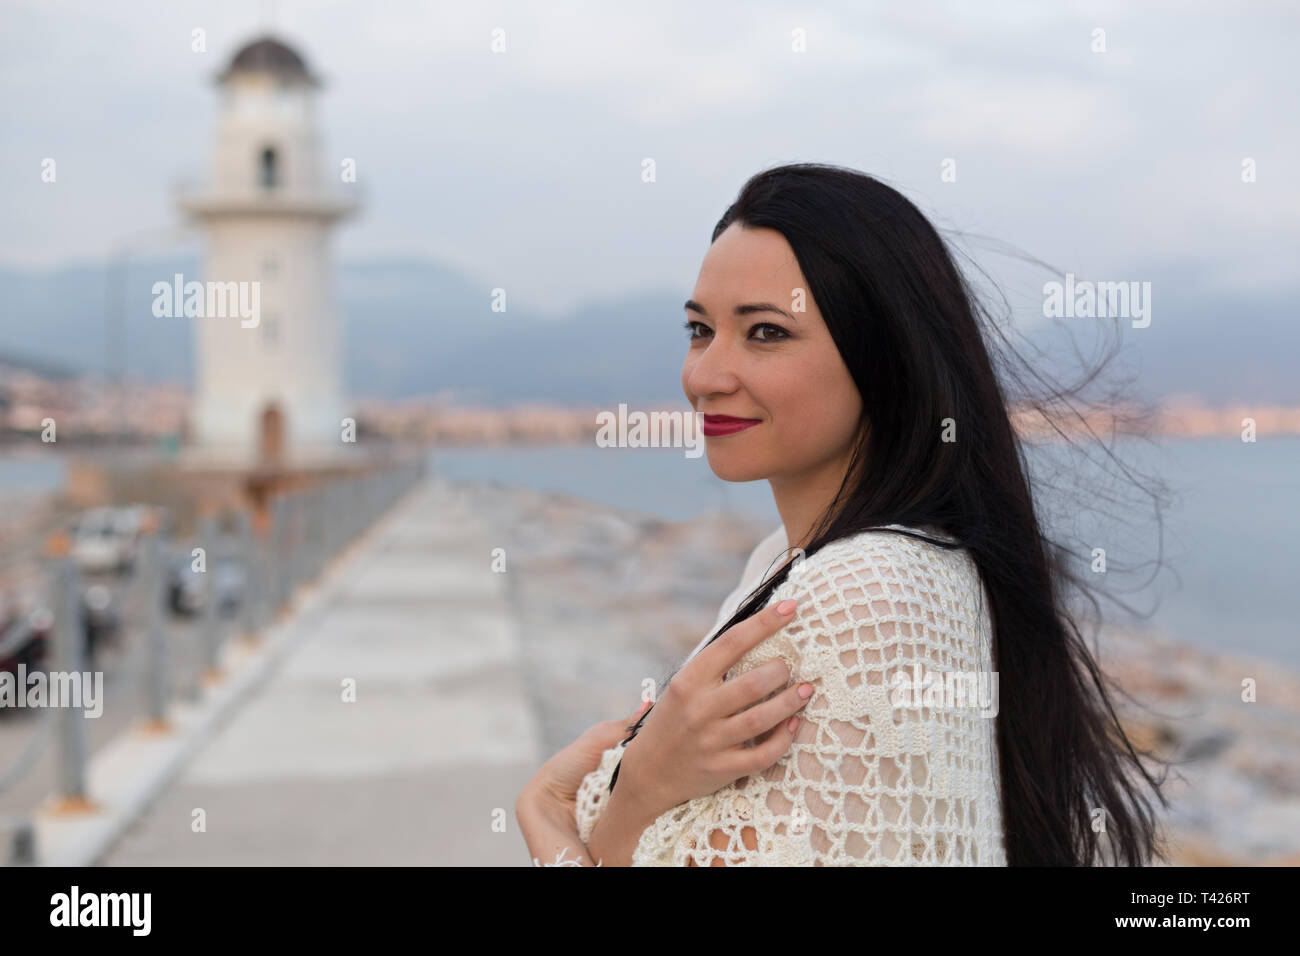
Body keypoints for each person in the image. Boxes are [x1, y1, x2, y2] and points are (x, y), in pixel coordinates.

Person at [515, 162, 1170, 866]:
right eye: (700, 329)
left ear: (882, 358)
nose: (705, 376)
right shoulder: (787, 560)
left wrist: (591, 811)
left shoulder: (864, 592)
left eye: (765, 333)